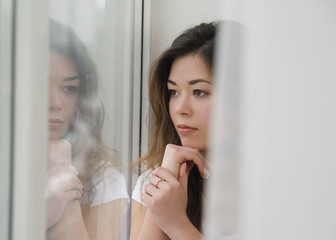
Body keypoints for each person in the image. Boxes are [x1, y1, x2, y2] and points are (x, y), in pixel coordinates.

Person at [130, 22, 218, 239]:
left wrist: (176, 223)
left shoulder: (277, 183)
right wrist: (165, 178)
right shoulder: (153, 182)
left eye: (199, 92)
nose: (180, 108)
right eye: (173, 92)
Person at [46, 20, 129, 239]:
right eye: (39, 86)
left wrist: (63, 176)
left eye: (69, 88)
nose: (54, 103)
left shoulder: (103, 180)